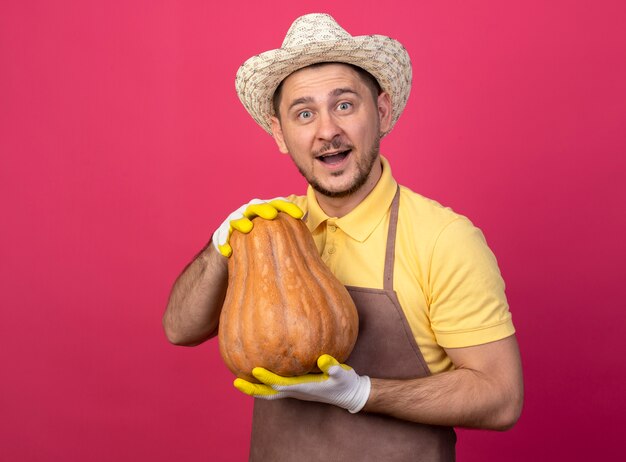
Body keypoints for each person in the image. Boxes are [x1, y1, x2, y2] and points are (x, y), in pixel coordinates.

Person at [163, 13, 523, 461]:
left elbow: (501, 396)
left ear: (383, 110)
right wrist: (220, 245)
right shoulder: (267, 232)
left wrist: (362, 393)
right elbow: (178, 329)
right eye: (304, 113)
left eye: (345, 105)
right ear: (280, 133)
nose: (327, 130)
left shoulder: (443, 239)